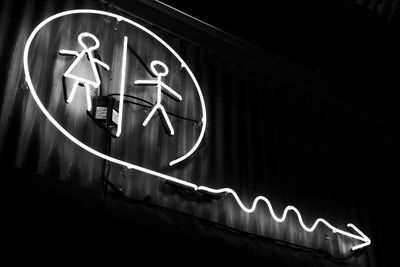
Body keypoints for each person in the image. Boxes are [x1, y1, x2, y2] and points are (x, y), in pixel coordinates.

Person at [59, 32, 110, 111]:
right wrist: (104, 66)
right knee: (79, 84)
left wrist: (105, 66)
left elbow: (96, 61)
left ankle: (87, 105)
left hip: (81, 74)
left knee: (85, 86)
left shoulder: (88, 56)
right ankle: (70, 99)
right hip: (79, 73)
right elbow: (75, 53)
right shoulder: (83, 54)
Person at [134, 60, 182, 136]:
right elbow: (177, 97)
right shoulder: (159, 83)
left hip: (159, 105)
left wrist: (138, 82)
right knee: (154, 115)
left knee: (157, 113)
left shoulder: (161, 83)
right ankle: (146, 124)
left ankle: (168, 130)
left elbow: (177, 97)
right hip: (158, 105)